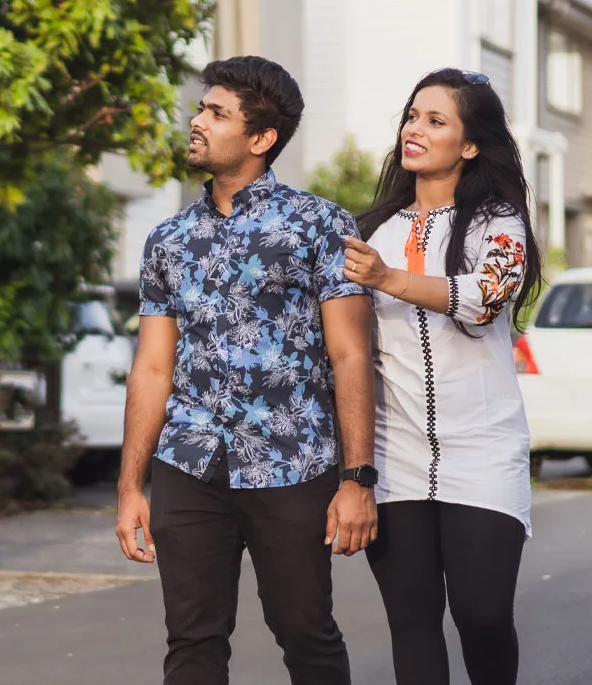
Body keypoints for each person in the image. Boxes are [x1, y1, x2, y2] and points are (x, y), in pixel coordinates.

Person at [116, 55, 380, 685]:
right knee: (193, 642)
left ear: (261, 139)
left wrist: (357, 479)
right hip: (189, 466)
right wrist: (131, 486)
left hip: (291, 464)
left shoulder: (319, 227)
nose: (196, 120)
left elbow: (350, 355)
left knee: (305, 634)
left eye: (216, 112)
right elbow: (153, 367)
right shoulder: (169, 239)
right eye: (201, 107)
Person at [340, 67, 544, 685]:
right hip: (395, 456)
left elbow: (485, 299)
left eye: (435, 120)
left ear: (471, 143)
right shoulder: (375, 229)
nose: (415, 130)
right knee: (413, 623)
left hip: (482, 452)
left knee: (482, 616)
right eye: (411, 117)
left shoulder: (498, 225)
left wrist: (389, 280)